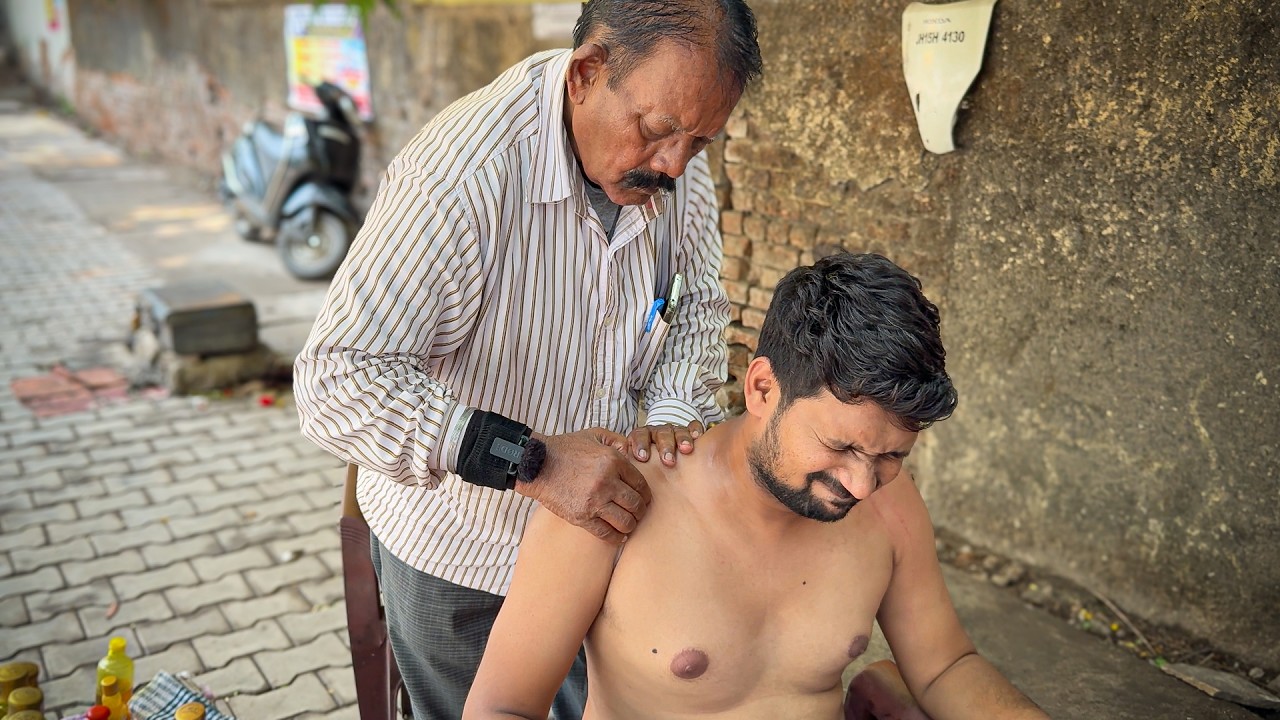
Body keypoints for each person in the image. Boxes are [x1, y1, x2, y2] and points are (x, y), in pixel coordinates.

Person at [292, 1, 763, 718]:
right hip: (459, 552)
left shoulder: (672, 158)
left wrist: (671, 415)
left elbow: (696, 305)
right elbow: (335, 380)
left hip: (595, 541)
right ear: (586, 74)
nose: (674, 165)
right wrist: (531, 460)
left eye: (700, 143)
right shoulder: (460, 178)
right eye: (660, 132)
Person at [464, 253, 1050, 720]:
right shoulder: (615, 499)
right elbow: (504, 706)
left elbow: (945, 666)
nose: (863, 483)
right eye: (841, 447)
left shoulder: (890, 505)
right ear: (763, 389)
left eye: (892, 455)